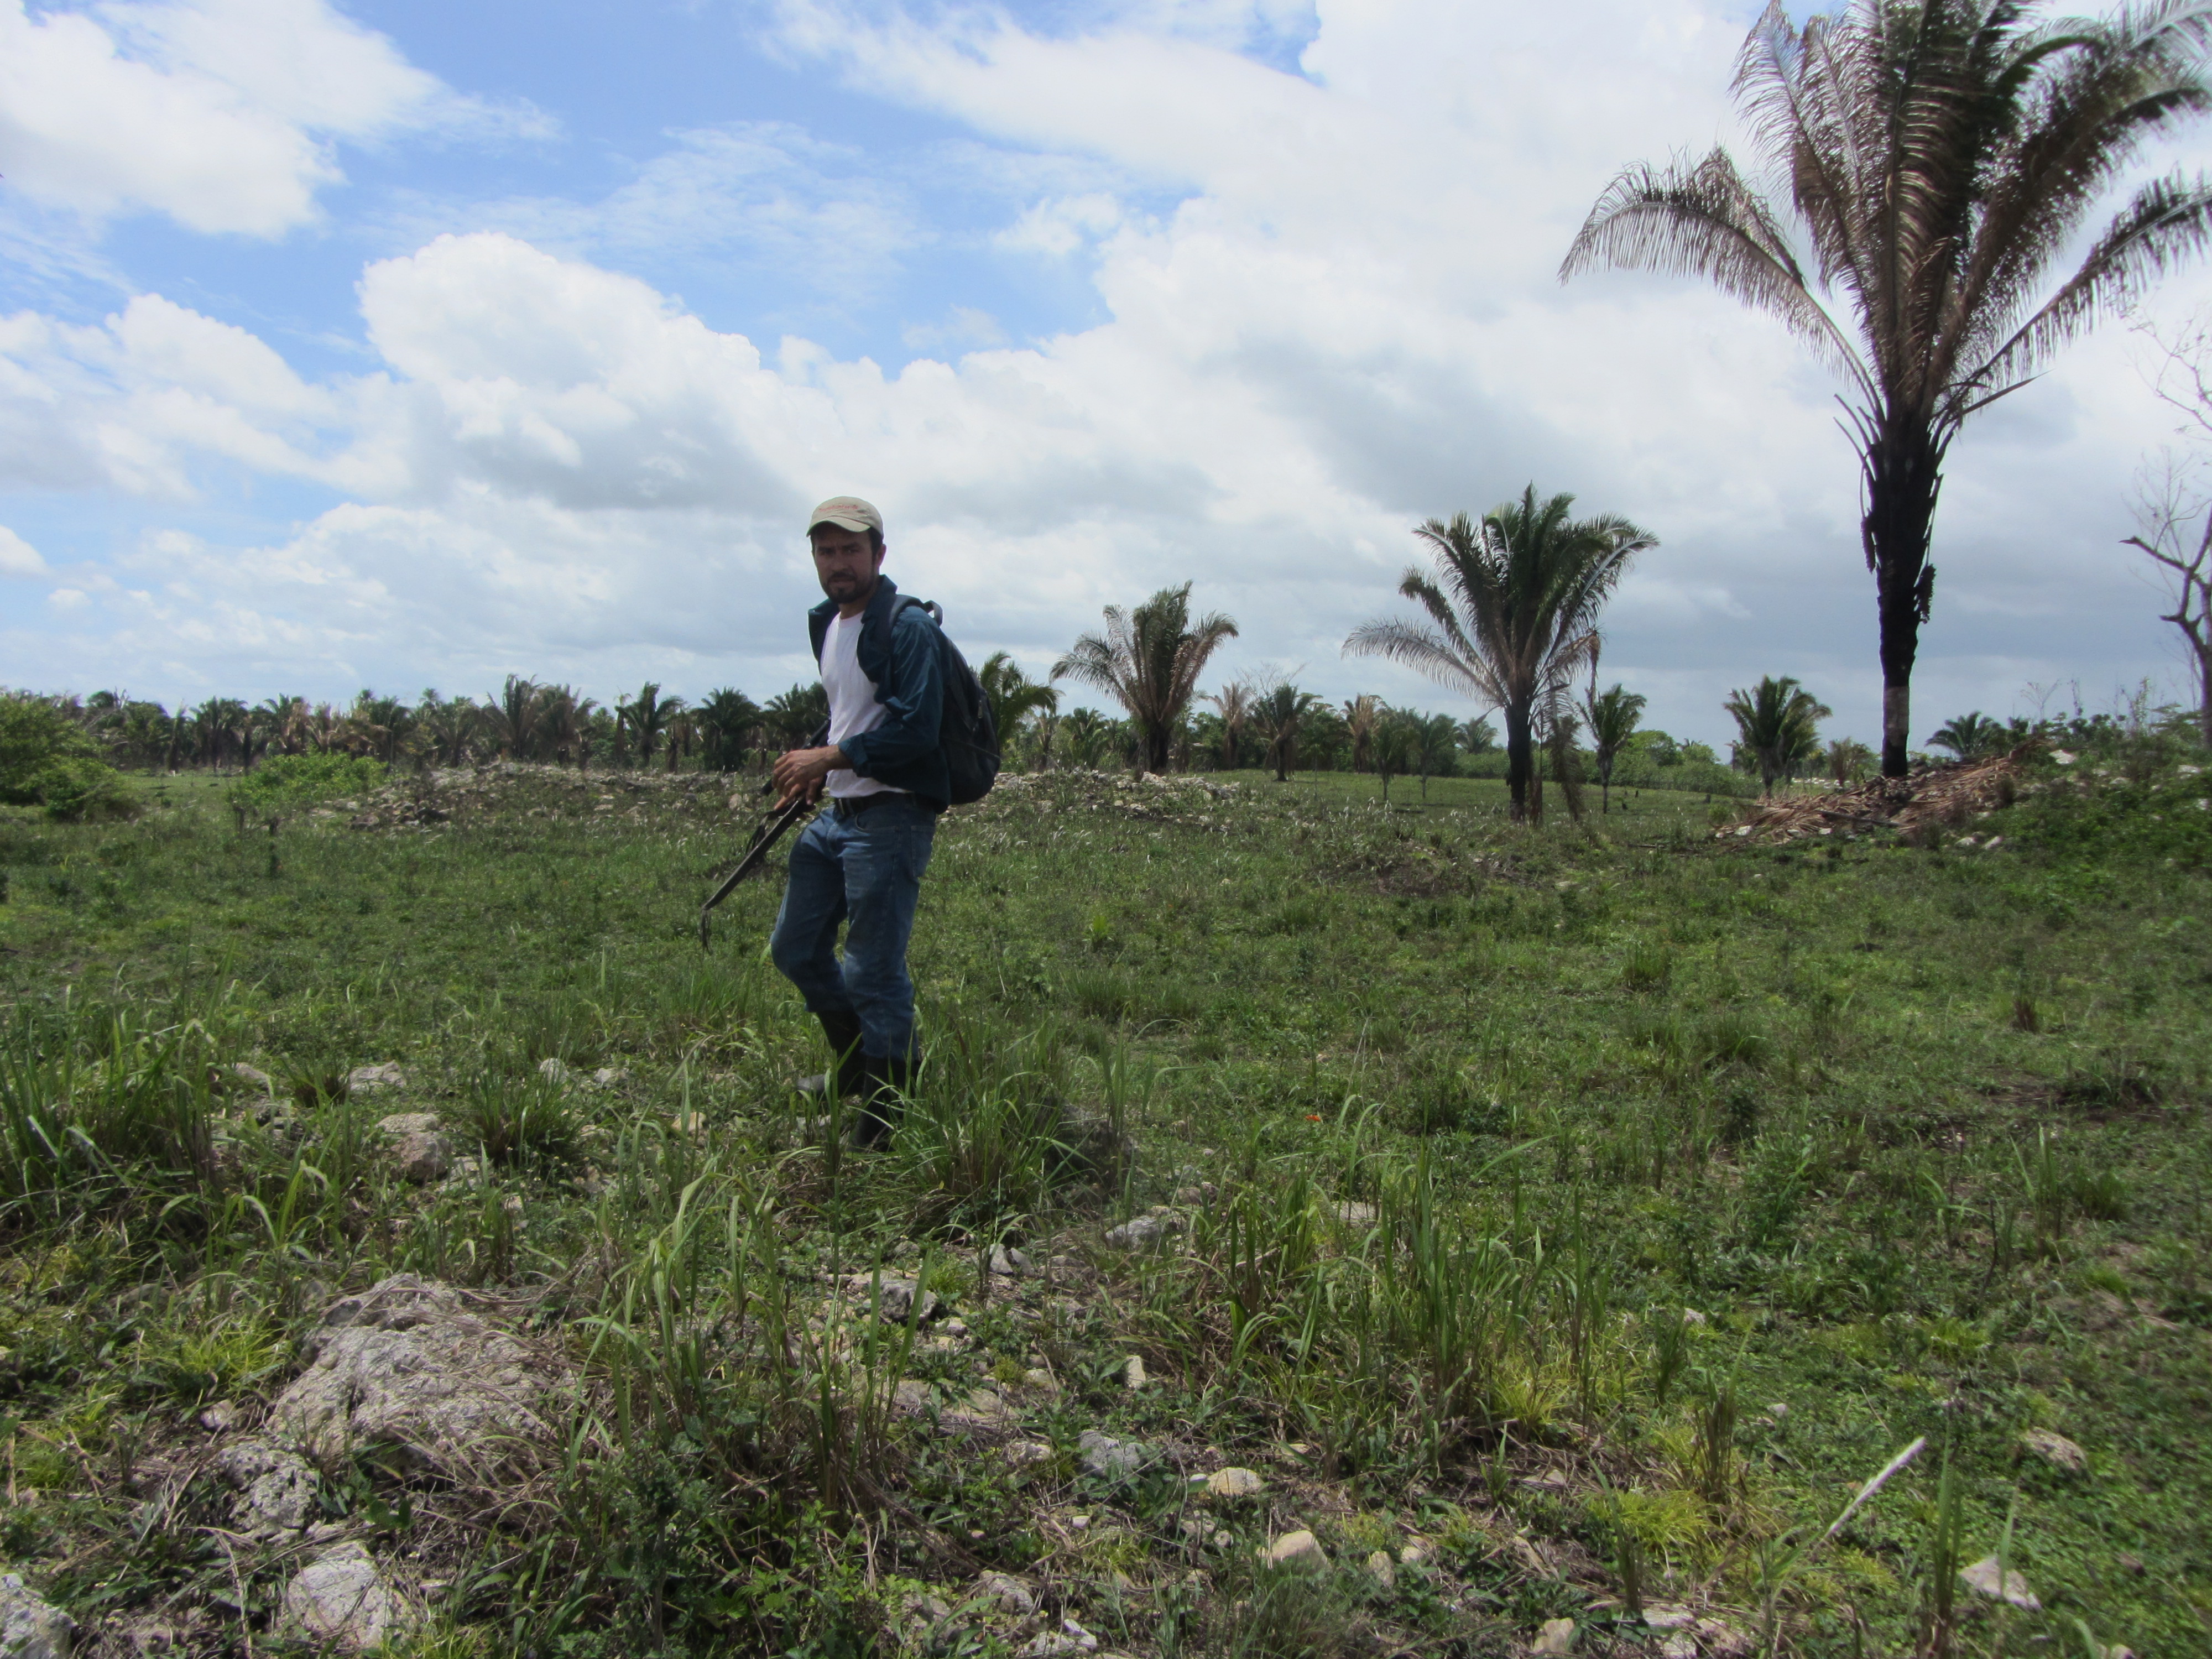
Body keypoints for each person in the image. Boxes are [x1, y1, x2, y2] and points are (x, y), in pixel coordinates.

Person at [768, 496, 947, 1145]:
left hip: (892, 815)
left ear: (878, 553)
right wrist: (820, 771)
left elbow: (918, 731)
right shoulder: (828, 624)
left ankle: (889, 1108)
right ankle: (853, 1068)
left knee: (872, 968)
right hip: (838, 814)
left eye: (850, 549)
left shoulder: (906, 628)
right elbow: (855, 717)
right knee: (793, 946)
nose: (838, 563)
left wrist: (830, 755)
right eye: (826, 550)